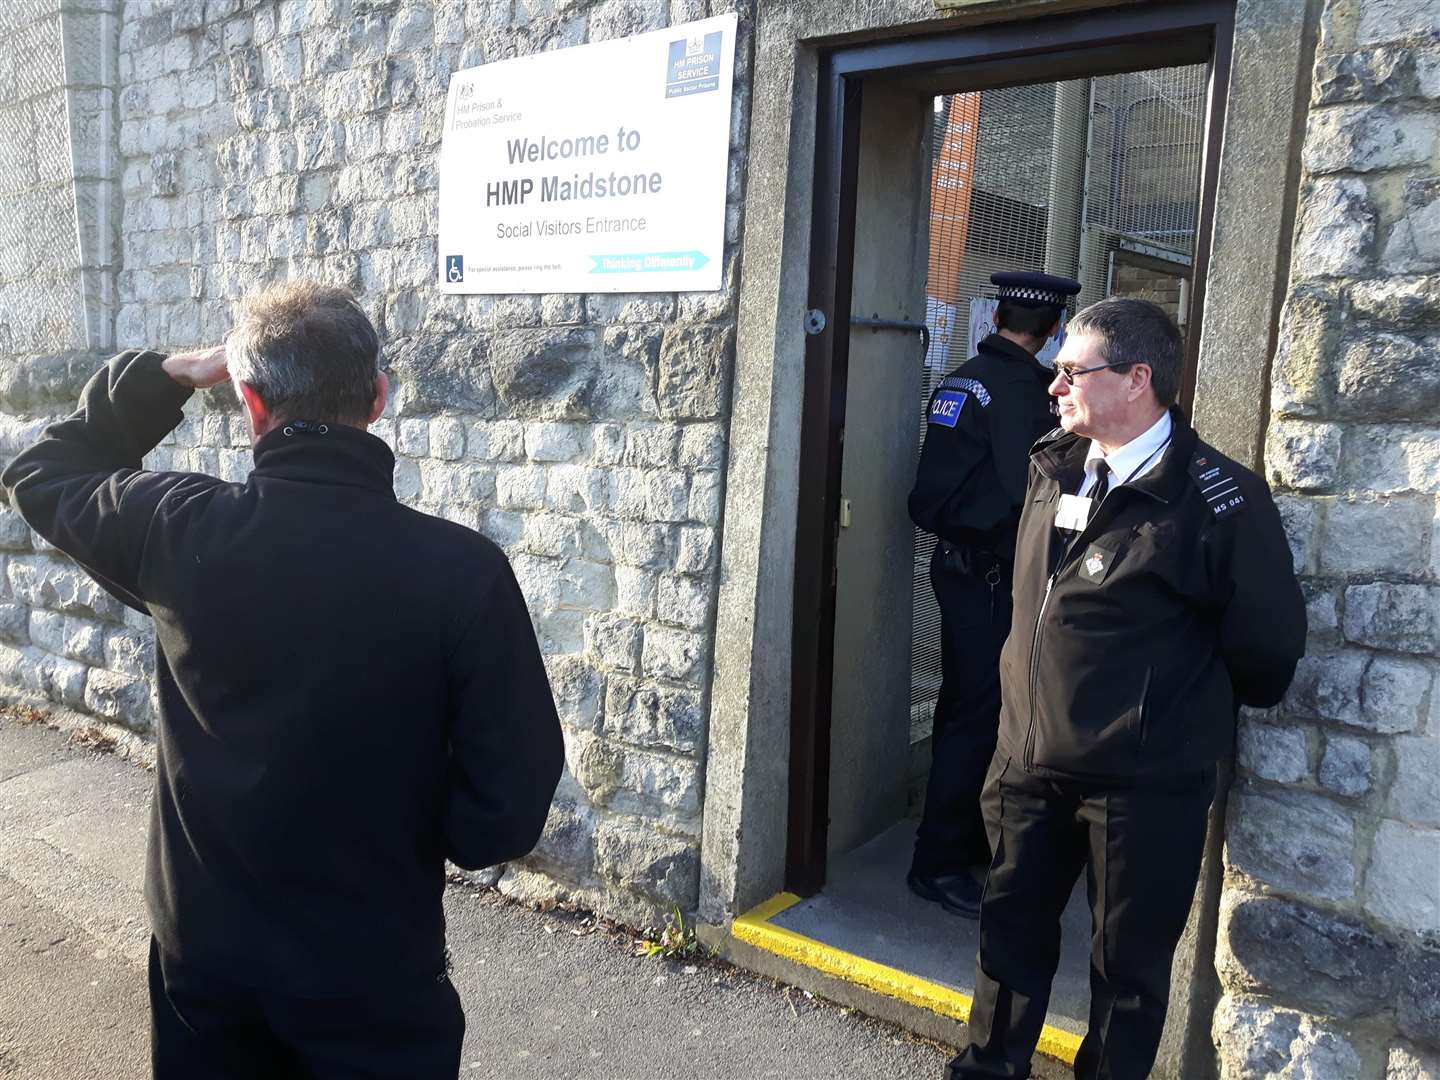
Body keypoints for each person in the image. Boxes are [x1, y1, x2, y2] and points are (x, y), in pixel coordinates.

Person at [2, 281, 565, 1079]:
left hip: (208, 968)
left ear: (250, 403)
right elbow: (501, 815)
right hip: (373, 972)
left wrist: (172, 373)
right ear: (377, 397)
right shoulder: (462, 574)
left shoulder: (180, 529)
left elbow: (42, 467)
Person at [947, 298, 1306, 1080]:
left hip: (1141, 792)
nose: (1053, 385)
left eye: (1073, 371)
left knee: (1128, 983)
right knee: (1005, 952)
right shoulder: (1055, 464)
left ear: (1139, 378)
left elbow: (1267, 652)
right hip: (1026, 768)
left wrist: (1159, 722)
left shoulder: (1220, 501)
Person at [907, 270, 1081, 919]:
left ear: (996, 317)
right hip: (994, 580)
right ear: (1053, 330)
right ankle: (940, 861)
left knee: (971, 712)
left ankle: (961, 845)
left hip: (961, 569)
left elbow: (935, 495)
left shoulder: (962, 380)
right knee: (979, 717)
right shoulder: (1029, 395)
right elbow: (1034, 496)